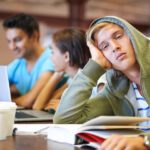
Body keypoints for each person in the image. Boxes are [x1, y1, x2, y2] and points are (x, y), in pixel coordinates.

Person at [53, 16, 150, 149]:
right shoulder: (116, 92)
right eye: (104, 46)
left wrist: (145, 142)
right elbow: (64, 120)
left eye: (118, 37)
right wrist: (94, 66)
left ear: (133, 37)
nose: (115, 47)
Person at [32, 28, 91, 112]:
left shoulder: (84, 80)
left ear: (66, 56)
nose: (50, 58)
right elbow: (39, 106)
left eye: (53, 52)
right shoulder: (72, 79)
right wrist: (56, 76)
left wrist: (65, 107)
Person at [3, 13, 54, 108]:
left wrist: (7, 103)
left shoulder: (52, 58)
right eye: (9, 41)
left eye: (17, 40)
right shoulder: (18, 64)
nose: (12, 47)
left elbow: (30, 101)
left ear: (34, 36)